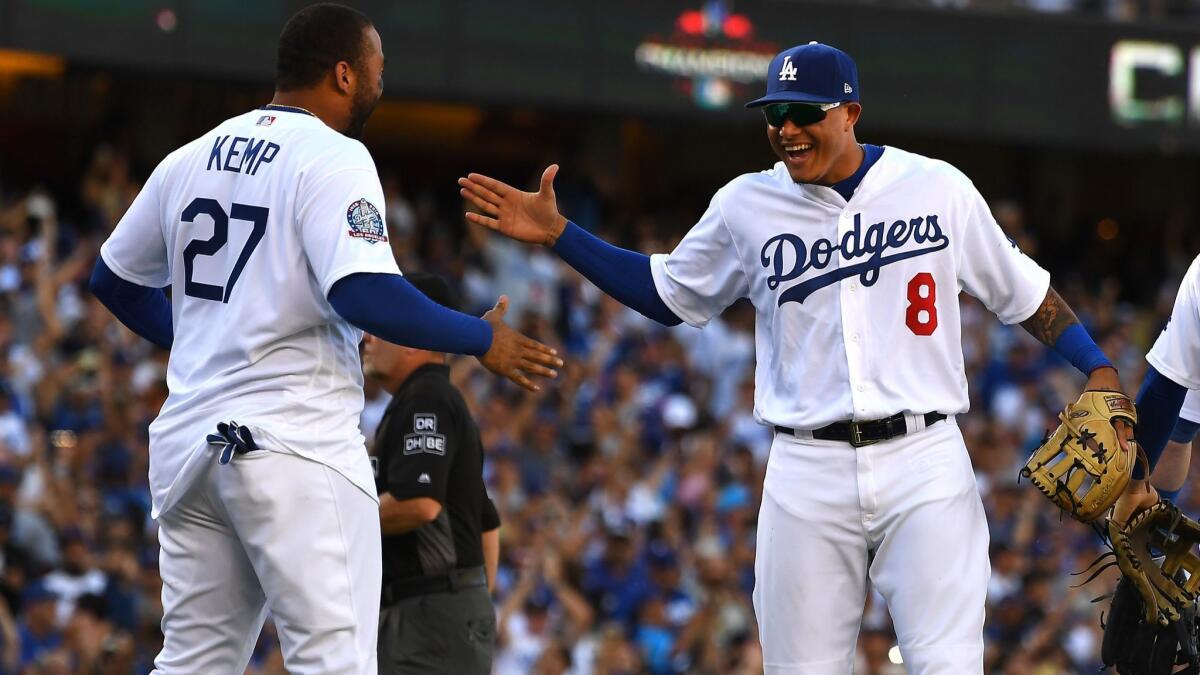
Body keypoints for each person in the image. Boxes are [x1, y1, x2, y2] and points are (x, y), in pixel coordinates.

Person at [459, 41, 1133, 674]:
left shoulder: (937, 188)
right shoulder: (745, 204)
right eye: (774, 116)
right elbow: (666, 294)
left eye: (803, 114)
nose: (786, 129)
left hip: (924, 459)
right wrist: (560, 234)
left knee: (949, 663)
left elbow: (1025, 293)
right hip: (806, 468)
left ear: (850, 113)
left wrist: (1097, 366)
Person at [87, 4, 561, 673]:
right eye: (377, 69)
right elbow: (362, 292)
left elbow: (111, 278)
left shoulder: (190, 156)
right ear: (343, 74)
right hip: (291, 442)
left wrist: (201, 338)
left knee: (193, 663)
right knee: (334, 662)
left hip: (190, 447)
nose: (381, 83)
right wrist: (477, 338)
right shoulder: (334, 155)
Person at [364, 272, 500, 675]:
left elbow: (418, 503)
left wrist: (337, 521)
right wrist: (470, 601)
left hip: (428, 615)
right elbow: (486, 525)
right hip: (438, 612)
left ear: (415, 335)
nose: (367, 336)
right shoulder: (429, 398)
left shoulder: (427, 397)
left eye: (381, 324)